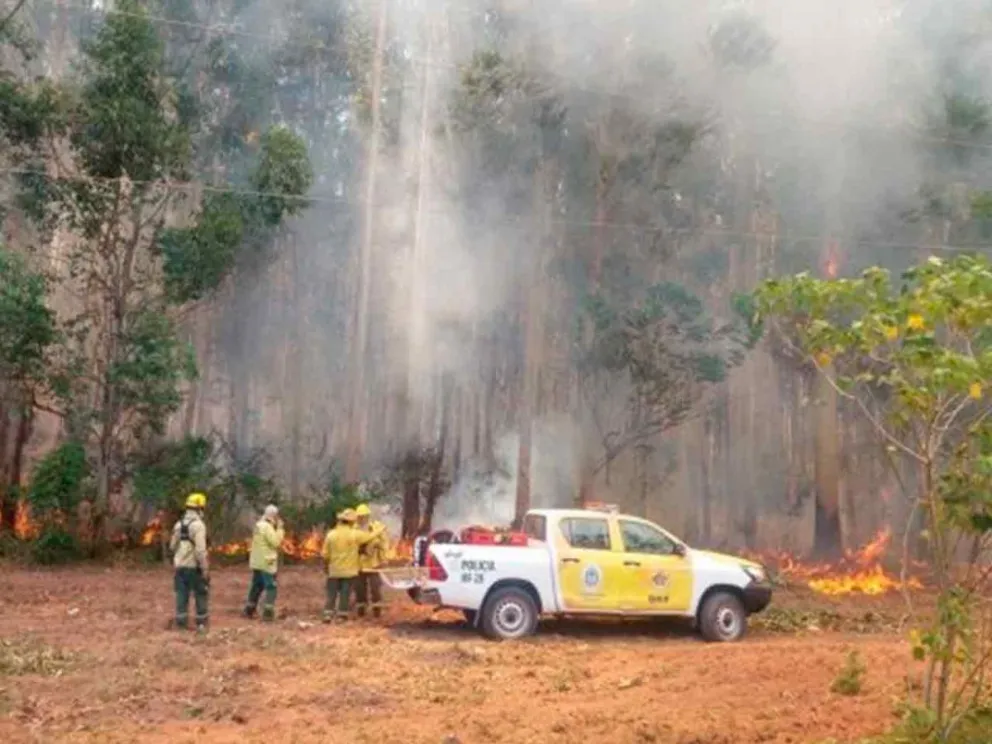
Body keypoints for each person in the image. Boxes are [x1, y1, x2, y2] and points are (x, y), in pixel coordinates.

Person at [321, 508, 383, 623]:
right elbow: (369, 537)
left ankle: (327, 615)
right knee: (345, 594)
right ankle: (341, 616)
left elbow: (325, 555)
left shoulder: (331, 535)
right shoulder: (355, 534)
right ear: (351, 522)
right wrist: (379, 530)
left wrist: (325, 567)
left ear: (340, 521)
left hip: (333, 571)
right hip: (349, 571)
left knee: (331, 594)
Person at [170, 492, 209, 632]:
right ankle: (201, 624)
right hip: (194, 567)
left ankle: (181, 623)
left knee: (181, 594)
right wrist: (204, 568)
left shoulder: (178, 525)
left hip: (180, 566)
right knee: (200, 593)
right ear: (200, 508)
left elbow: (172, 546)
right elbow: (200, 551)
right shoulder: (199, 526)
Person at [243, 504, 285, 622]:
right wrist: (280, 529)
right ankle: (268, 613)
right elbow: (276, 542)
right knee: (271, 587)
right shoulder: (267, 527)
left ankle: (249, 610)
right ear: (274, 516)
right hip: (267, 562)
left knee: (256, 586)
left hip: (256, 562)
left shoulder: (258, 525)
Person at [354, 503, 389, 618]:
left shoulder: (376, 527)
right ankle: (361, 611)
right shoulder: (353, 529)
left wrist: (384, 558)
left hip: (374, 564)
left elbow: (384, 544)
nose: (362, 518)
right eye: (360, 516)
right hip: (358, 565)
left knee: (375, 588)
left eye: (364, 516)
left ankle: (376, 611)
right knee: (360, 589)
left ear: (368, 516)